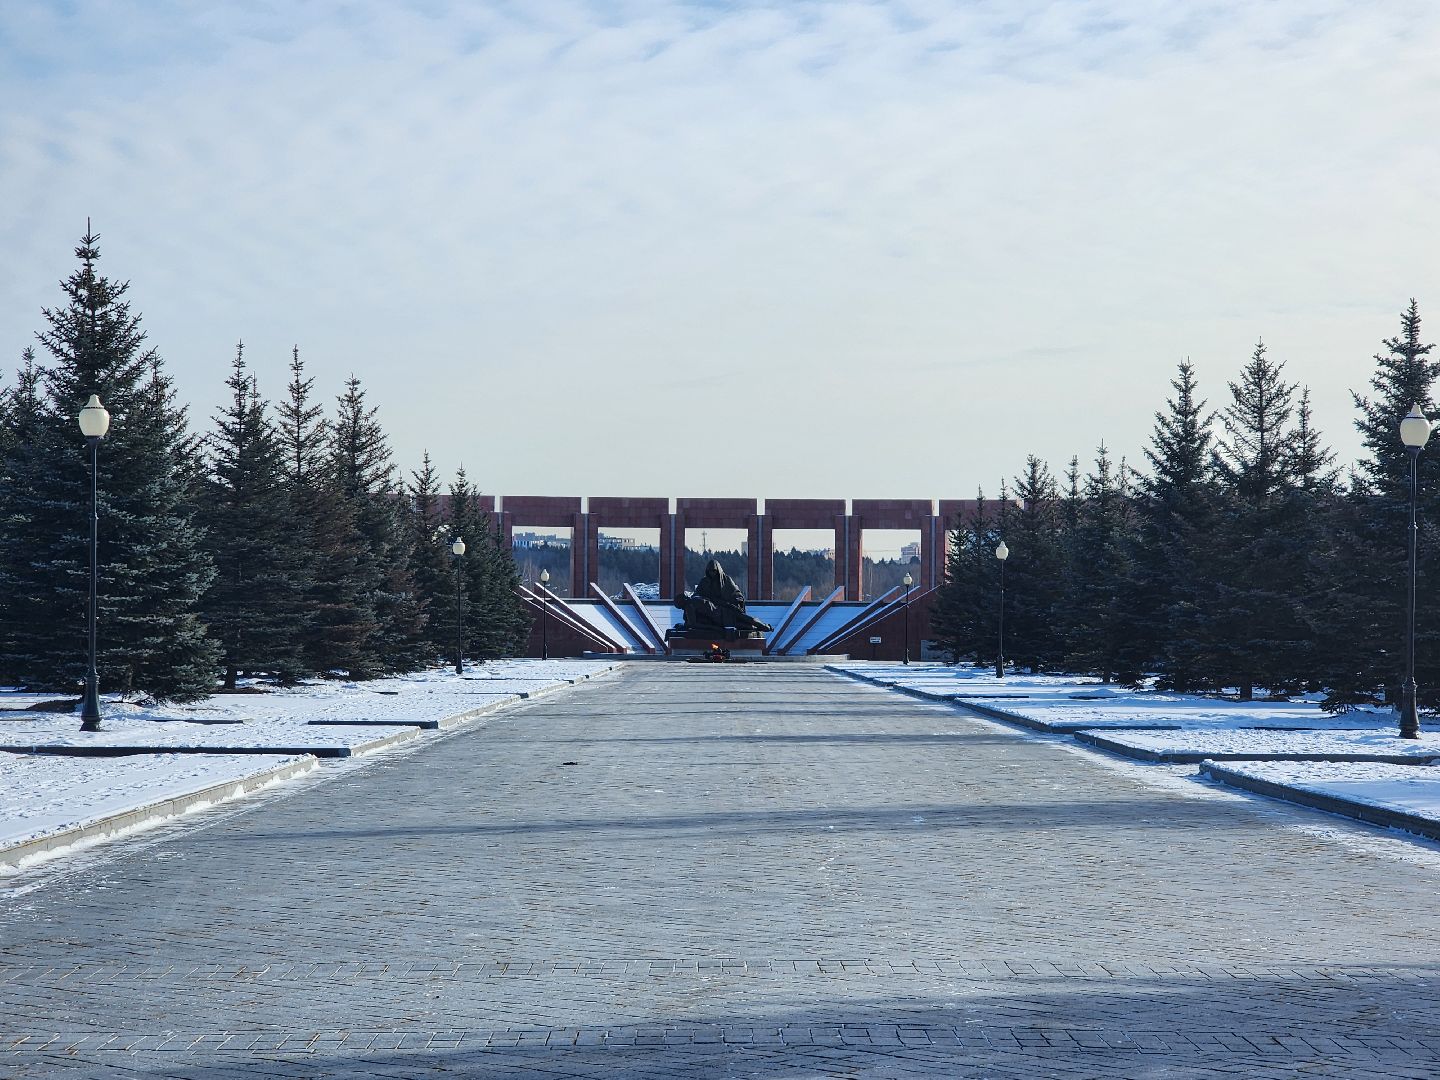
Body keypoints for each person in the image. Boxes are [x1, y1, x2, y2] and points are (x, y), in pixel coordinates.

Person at [674, 559, 772, 635]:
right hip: (715, 612)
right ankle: (759, 627)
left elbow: (738, 596)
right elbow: (697, 596)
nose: (712, 573)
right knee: (742, 625)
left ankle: (763, 626)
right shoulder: (704, 582)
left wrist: (732, 604)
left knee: (745, 619)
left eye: (714, 571)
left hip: (728, 608)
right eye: (710, 571)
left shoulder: (727, 580)